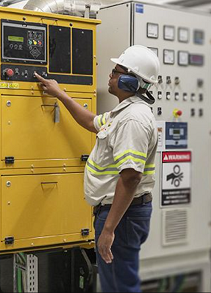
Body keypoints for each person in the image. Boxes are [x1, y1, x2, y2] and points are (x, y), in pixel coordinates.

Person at [35, 45, 160, 292]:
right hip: (120, 212)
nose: (110, 76)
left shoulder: (132, 120)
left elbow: (132, 177)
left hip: (121, 216)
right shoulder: (122, 113)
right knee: (116, 281)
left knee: (119, 286)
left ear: (129, 80)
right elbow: (91, 122)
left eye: (115, 72)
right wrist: (61, 95)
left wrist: (109, 229)